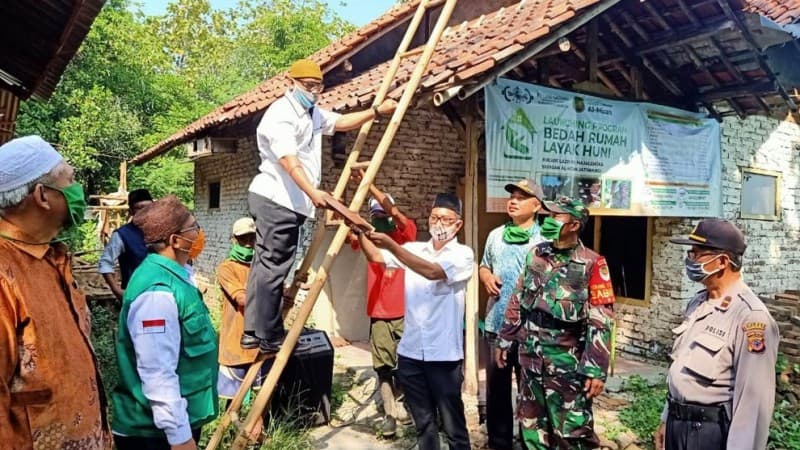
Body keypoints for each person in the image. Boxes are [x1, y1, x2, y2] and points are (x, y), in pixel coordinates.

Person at [243, 58, 398, 353]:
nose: (314, 91)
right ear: (291, 83)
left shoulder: (310, 113)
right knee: (274, 267)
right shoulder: (281, 114)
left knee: (265, 265)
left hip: (287, 201)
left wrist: (376, 112)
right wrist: (312, 191)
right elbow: (289, 160)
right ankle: (269, 334)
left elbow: (339, 122)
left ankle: (253, 332)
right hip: (278, 198)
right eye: (308, 86)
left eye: (318, 86)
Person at [0, 135, 110, 449]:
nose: (78, 189)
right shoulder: (4, 275)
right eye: (70, 180)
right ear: (42, 196)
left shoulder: (51, 257)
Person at [355, 193, 473, 450]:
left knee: (453, 426)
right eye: (434, 217)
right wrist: (359, 230)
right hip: (411, 354)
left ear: (458, 224)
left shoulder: (463, 254)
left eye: (445, 219)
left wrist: (392, 246)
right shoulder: (413, 249)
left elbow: (432, 272)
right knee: (424, 424)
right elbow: (376, 257)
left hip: (443, 357)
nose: (438, 223)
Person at [496, 196, 615, 450]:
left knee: (571, 434)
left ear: (574, 224)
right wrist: (505, 339)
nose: (548, 220)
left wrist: (595, 369)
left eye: (555, 216)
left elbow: (601, 320)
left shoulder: (592, 263)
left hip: (566, 367)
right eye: (547, 215)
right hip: (530, 359)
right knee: (532, 429)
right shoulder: (536, 254)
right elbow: (517, 299)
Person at [653, 219, 778, 450]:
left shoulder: (751, 317)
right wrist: (666, 419)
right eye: (690, 253)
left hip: (709, 433)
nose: (690, 259)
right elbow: (681, 371)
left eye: (696, 253)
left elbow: (753, 403)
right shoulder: (698, 302)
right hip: (677, 424)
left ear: (721, 262)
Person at [112, 195, 218, 450]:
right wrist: (180, 438)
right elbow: (157, 371)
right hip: (154, 434)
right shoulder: (157, 292)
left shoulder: (177, 276)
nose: (199, 233)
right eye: (193, 227)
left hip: (174, 423)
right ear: (175, 240)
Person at [348, 172, 417, 437]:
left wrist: (370, 186)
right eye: (375, 215)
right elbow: (353, 239)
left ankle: (409, 407)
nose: (381, 218)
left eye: (383, 213)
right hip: (379, 309)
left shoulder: (405, 236)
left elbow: (399, 217)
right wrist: (357, 225)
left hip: (406, 310)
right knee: (383, 366)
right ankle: (389, 414)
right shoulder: (368, 237)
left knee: (408, 364)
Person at [478, 179, 545, 450]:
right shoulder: (496, 235)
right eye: (512, 197)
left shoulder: (546, 239)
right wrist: (486, 277)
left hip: (532, 330)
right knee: (497, 392)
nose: (513, 201)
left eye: (521, 197)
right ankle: (499, 443)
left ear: (536, 206)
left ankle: (531, 442)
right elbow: (484, 265)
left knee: (532, 392)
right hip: (496, 324)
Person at [216, 217, 265, 402]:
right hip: (236, 343)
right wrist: (272, 294)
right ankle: (231, 422)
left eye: (252, 238)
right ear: (234, 240)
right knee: (233, 400)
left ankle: (257, 422)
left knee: (263, 396)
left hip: (261, 344)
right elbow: (242, 299)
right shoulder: (226, 268)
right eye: (243, 239)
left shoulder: (262, 267)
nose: (248, 243)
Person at [98, 188, 154, 301]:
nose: (145, 212)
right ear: (131, 211)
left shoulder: (163, 232)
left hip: (163, 295)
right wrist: (116, 290)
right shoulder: (122, 235)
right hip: (134, 296)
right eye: (139, 208)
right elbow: (105, 262)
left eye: (148, 207)